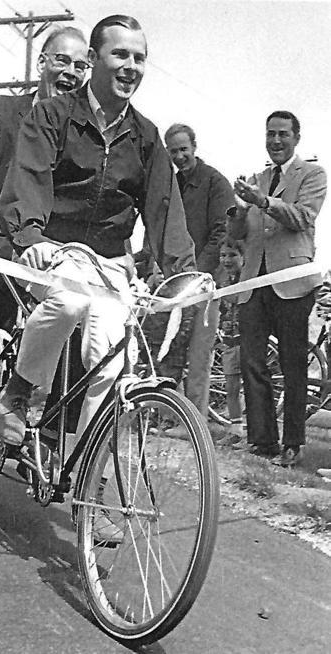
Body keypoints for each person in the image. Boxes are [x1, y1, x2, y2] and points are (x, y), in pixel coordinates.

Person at [0, 14, 196, 448]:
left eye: (139, 58)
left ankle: (91, 472)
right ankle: (17, 394)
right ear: (93, 58)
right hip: (53, 251)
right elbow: (28, 177)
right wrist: (31, 238)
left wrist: (183, 272)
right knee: (68, 301)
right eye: (120, 54)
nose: (131, 66)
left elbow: (163, 208)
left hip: (108, 264)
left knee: (111, 357)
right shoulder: (52, 115)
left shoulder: (145, 136)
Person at [0, 26, 89, 403]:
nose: (70, 72)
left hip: (51, 243)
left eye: (80, 65)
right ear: (42, 62)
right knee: (2, 266)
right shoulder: (1, 112)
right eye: (62, 60)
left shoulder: (84, 133)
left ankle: (51, 435)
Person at [228, 110, 327, 466]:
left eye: (283, 134)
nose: (275, 141)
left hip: (293, 284)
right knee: (253, 361)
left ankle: (293, 442)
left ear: (296, 138)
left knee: (292, 362)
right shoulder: (258, 178)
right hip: (254, 283)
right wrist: (238, 210)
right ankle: (262, 440)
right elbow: (237, 237)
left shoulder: (313, 174)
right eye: (270, 134)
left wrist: (262, 201)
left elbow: (302, 217)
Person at [162, 123, 233, 416]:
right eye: (173, 151)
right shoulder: (170, 185)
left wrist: (198, 272)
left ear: (194, 146)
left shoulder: (215, 182)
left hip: (206, 282)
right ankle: (166, 414)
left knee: (199, 354)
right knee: (169, 348)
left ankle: (194, 419)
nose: (180, 156)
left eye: (184, 149)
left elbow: (222, 233)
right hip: (174, 280)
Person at [214, 237, 245, 447]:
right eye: (223, 255)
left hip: (247, 340)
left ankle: (253, 431)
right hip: (229, 341)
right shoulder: (224, 282)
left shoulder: (247, 281)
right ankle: (235, 429)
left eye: (232, 255)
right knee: (231, 388)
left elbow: (240, 299)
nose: (226, 260)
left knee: (250, 388)